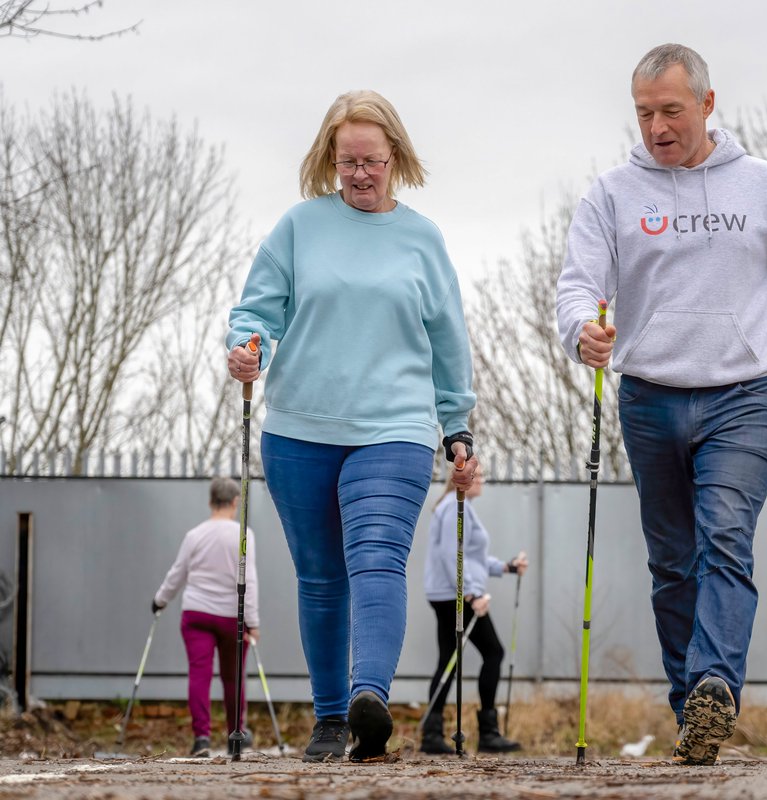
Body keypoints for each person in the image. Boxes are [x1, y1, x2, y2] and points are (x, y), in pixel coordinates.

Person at [555, 43, 767, 765]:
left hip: (742, 395)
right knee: (673, 561)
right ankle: (694, 711)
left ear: (707, 105)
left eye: (671, 110)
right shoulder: (613, 193)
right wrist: (580, 331)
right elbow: (574, 285)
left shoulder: (763, 186)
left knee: (724, 541)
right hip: (649, 397)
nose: (657, 126)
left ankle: (715, 682)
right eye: (645, 112)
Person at [226, 90, 479, 763]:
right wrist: (247, 344)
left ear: (394, 155)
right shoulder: (298, 228)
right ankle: (330, 718)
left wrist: (457, 422)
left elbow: (447, 336)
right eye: (347, 163)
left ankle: (370, 699)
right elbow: (257, 309)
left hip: (394, 427)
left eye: (371, 160)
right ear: (329, 160)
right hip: (300, 428)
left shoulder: (421, 239)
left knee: (376, 557)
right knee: (319, 577)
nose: (360, 174)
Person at [420, 470, 528, 754]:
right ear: (460, 480)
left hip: (448, 593)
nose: (481, 479)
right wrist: (470, 593)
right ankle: (488, 734)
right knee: (494, 652)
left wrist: (506, 566)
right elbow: (449, 554)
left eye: (480, 474)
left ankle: (432, 735)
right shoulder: (455, 507)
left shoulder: (460, 507)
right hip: (456, 595)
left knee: (448, 660)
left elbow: (472, 556)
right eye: (476, 475)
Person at [153, 477, 259, 758]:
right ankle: (235, 735)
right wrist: (253, 622)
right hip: (230, 617)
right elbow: (249, 581)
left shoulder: (194, 535)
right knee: (233, 677)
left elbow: (177, 574)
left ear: (210, 501)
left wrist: (159, 601)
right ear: (236, 502)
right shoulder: (243, 535)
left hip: (196, 613)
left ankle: (201, 738)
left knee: (199, 674)